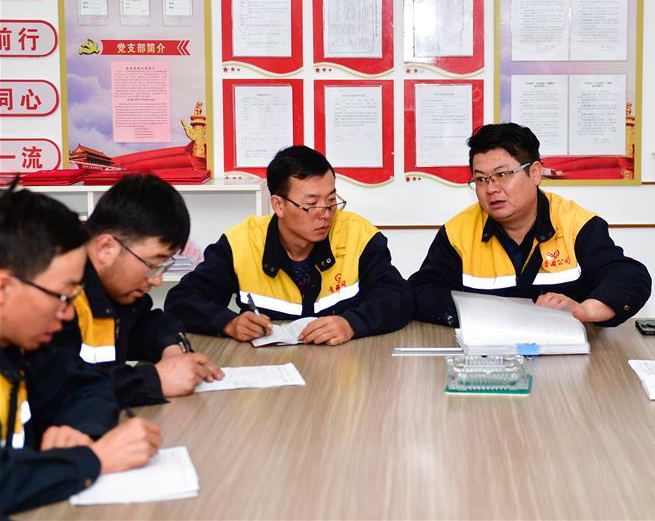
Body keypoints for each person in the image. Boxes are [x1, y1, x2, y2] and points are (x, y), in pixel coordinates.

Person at [0, 180, 161, 515]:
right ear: (4, 288)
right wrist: (92, 459)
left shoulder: (23, 346)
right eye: (62, 295)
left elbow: (88, 386)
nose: (69, 312)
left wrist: (75, 427)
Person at [409, 123, 651, 327]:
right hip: (488, 357)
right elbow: (422, 290)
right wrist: (484, 314)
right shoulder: (458, 232)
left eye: (502, 175)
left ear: (535, 173)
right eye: (481, 179)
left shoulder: (576, 224)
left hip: (565, 356)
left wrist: (585, 311)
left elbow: (629, 277)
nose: (491, 189)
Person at [166, 146, 413, 345]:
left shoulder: (358, 234)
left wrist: (352, 323)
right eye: (311, 204)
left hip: (345, 365)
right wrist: (227, 323)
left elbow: (397, 296)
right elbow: (182, 300)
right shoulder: (242, 243)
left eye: (331, 200)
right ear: (278, 205)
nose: (325, 213)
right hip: (267, 368)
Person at [51, 174, 222, 408]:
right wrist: (155, 380)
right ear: (106, 248)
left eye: (164, 265)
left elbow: (148, 323)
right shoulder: (57, 297)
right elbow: (59, 387)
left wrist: (172, 349)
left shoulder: (115, 289)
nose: (158, 279)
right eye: (153, 264)